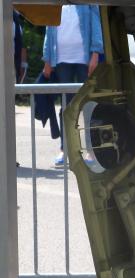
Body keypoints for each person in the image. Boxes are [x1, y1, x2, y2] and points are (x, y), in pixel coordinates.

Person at [42, 5, 103, 168]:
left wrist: (96, 53)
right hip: (61, 60)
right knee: (66, 106)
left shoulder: (88, 2)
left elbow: (96, 24)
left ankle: (90, 150)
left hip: (84, 60)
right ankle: (65, 149)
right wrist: (47, 58)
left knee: (87, 105)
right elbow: (49, 29)